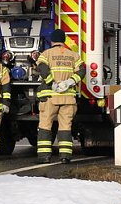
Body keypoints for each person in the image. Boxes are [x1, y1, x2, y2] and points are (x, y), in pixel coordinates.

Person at [35, 29, 85, 164]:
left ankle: (44, 156)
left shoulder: (46, 54)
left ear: (52, 41)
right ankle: (65, 156)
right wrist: (70, 82)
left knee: (45, 125)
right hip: (68, 98)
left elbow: (42, 69)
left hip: (50, 97)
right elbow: (82, 71)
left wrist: (52, 83)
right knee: (65, 126)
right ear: (63, 41)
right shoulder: (73, 55)